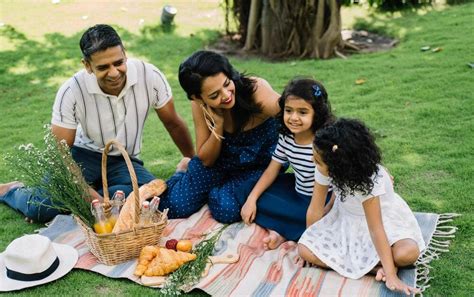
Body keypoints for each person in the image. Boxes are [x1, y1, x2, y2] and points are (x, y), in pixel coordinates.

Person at [0, 24, 194, 223]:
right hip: (81, 156)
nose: (114, 73)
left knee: (152, 199)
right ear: (87, 65)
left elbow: (173, 123)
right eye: (103, 67)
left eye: (118, 62)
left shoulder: (150, 75)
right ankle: (12, 190)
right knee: (40, 209)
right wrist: (97, 201)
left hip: (124, 159)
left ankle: (81, 197)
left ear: (125, 54)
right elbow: (62, 157)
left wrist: (193, 161)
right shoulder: (71, 91)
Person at [298, 118, 425, 296]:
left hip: (380, 223)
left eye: (317, 160)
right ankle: (374, 269)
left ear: (338, 165)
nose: (313, 161)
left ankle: (384, 267)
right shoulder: (323, 167)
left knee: (408, 253)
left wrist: (390, 276)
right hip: (347, 221)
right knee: (304, 249)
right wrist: (313, 239)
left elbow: (376, 228)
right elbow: (315, 208)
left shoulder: (369, 182)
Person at [158, 50, 281, 223]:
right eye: (214, 95)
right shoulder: (199, 105)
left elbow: (294, 115)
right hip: (219, 162)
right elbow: (206, 160)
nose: (226, 95)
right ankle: (183, 173)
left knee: (225, 209)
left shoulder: (255, 90)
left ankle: (213, 187)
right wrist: (218, 126)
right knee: (174, 206)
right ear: (198, 98)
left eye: (227, 83)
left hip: (257, 164)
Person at [237, 78, 334, 249]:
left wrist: (328, 209)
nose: (293, 118)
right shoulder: (286, 137)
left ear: (317, 114)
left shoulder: (326, 142)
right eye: (289, 111)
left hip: (323, 202)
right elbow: (271, 170)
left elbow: (344, 181)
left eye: (302, 112)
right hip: (297, 192)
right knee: (247, 190)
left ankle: (284, 231)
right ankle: (291, 229)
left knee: (317, 218)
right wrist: (251, 199)